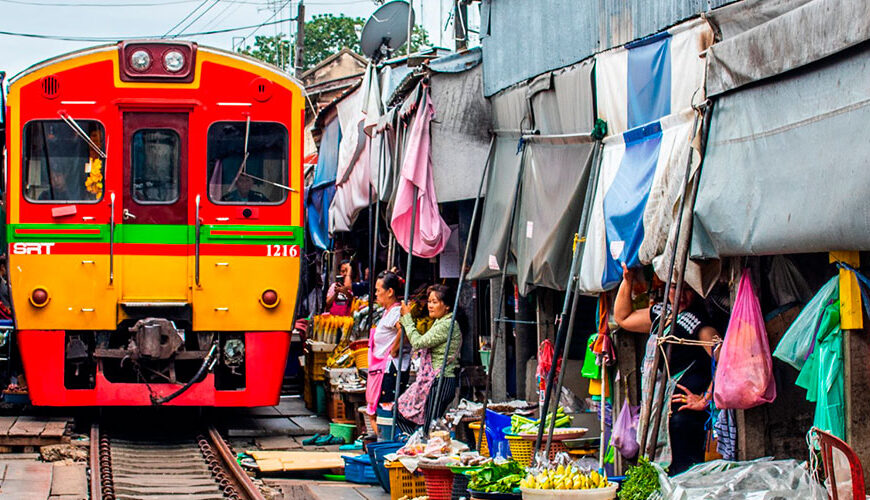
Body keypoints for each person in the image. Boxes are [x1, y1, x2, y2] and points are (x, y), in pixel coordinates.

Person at [613, 264, 719, 475]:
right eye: (674, 287)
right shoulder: (662, 314)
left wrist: (706, 398)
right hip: (658, 415)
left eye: (688, 289)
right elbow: (623, 318)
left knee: (684, 477)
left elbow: (725, 360)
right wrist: (627, 281)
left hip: (684, 421)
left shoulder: (698, 324)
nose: (680, 295)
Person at [395, 284, 462, 435]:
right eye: (429, 301)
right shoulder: (439, 322)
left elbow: (418, 343)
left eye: (435, 302)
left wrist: (407, 319)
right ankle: (418, 443)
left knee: (430, 427)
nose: (430, 306)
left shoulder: (447, 324)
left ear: (447, 306)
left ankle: (423, 446)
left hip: (441, 381)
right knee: (401, 412)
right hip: (435, 381)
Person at [365, 271, 410, 436]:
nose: (376, 294)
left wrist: (394, 349)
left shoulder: (396, 312)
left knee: (387, 412)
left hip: (391, 371)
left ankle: (388, 444)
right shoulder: (388, 312)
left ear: (390, 292)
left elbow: (404, 329)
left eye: (378, 290)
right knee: (381, 413)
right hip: (385, 371)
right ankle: (385, 442)